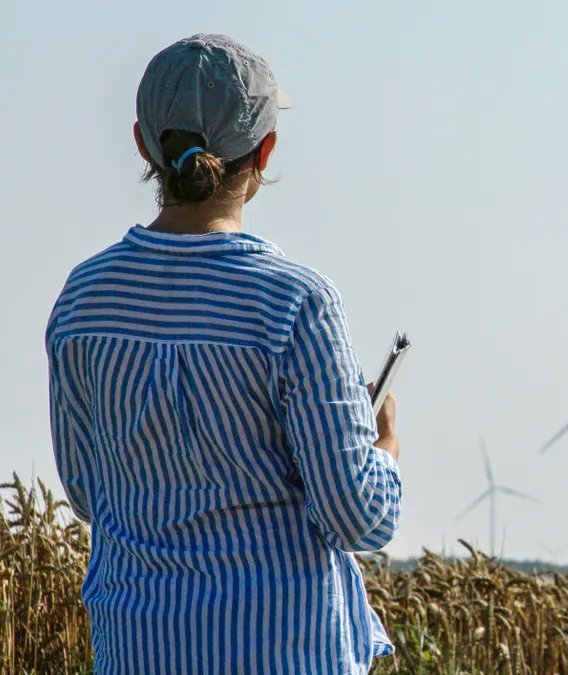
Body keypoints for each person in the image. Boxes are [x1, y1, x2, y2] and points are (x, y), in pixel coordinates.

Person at [45, 34, 402, 674]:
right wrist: (383, 455)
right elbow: (357, 518)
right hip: (285, 652)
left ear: (142, 144)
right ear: (264, 151)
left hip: (137, 649)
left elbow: (85, 490)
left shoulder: (83, 300)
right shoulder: (297, 304)